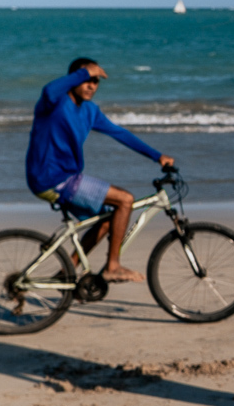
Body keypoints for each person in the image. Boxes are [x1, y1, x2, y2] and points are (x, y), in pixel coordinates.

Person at [26, 58, 173, 283]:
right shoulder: (53, 103)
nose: (91, 86)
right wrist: (83, 72)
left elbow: (120, 133)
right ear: (73, 79)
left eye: (95, 82)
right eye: (87, 80)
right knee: (125, 200)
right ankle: (112, 266)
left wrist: (157, 156)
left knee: (108, 218)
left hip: (67, 179)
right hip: (51, 178)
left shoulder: (90, 111)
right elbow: (48, 89)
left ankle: (67, 271)